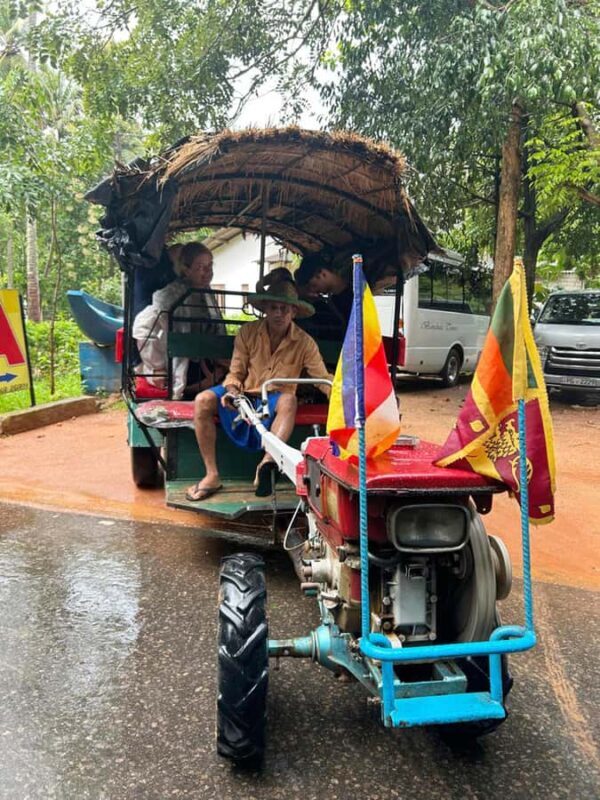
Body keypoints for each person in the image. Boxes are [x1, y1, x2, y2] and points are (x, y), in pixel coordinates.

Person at [185, 268, 333, 501]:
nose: (278, 314)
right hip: (244, 392)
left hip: (275, 399)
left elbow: (322, 378)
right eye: (273, 307)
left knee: (289, 400)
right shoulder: (248, 332)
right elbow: (236, 372)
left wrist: (344, 395)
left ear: (294, 312)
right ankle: (211, 475)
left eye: (284, 309)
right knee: (202, 400)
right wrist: (232, 391)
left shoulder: (305, 343)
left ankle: (267, 464)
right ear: (265, 309)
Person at [132, 242, 225, 399]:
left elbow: (215, 328)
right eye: (200, 267)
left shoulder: (206, 293)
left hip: (205, 359)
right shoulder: (169, 295)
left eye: (210, 265)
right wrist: (157, 367)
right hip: (180, 363)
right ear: (186, 269)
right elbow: (143, 327)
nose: (207, 272)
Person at [295, 251, 354, 336]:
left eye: (313, 286)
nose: (313, 291)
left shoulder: (357, 295)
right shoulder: (333, 301)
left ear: (322, 274)